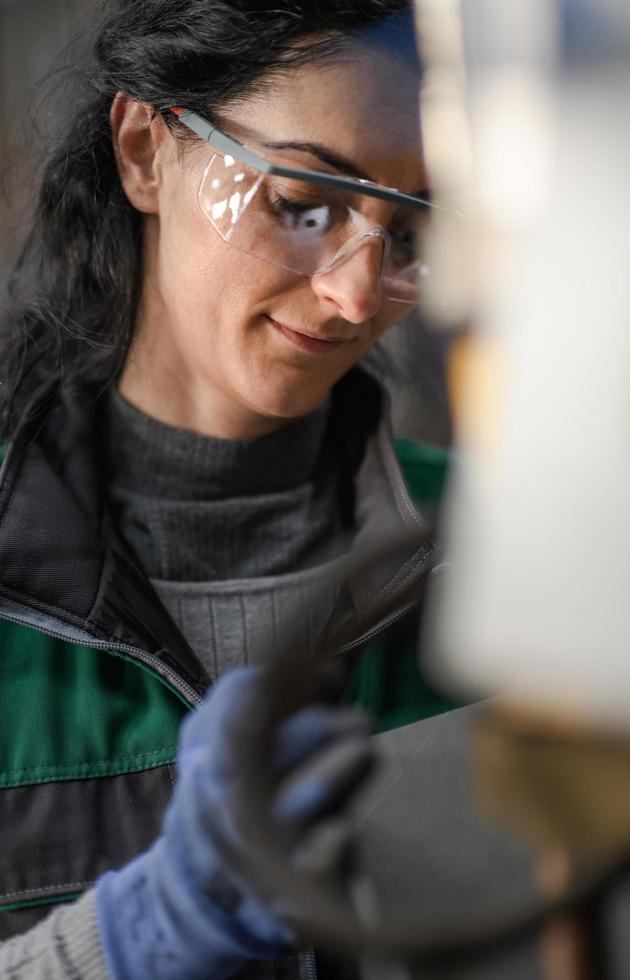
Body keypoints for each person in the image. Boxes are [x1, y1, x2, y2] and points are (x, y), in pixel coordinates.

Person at [0, 0, 456, 975]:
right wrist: (134, 935)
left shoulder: (489, 556)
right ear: (143, 149)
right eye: (303, 202)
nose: (358, 293)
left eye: (410, 232)